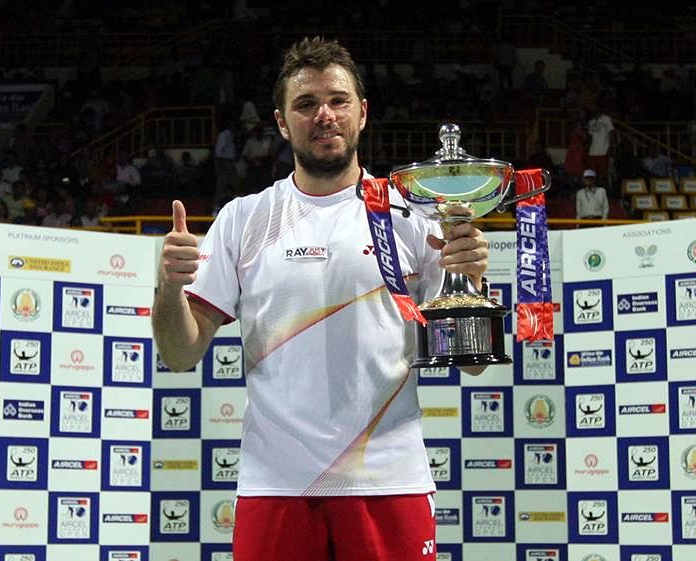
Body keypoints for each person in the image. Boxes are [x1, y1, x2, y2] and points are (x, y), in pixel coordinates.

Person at [152, 37, 489, 561]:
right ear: (283, 122)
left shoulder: (412, 217)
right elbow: (179, 352)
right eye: (305, 104)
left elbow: (470, 366)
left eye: (338, 100)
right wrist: (169, 289)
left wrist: (470, 281)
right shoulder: (244, 219)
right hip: (276, 484)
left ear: (362, 113)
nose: (323, 115)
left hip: (387, 480)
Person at [586, 106, 616, 180]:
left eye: (596, 109)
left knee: (603, 174)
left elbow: (611, 132)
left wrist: (611, 147)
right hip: (592, 152)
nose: (594, 111)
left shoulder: (606, 119)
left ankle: (603, 190)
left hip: (603, 151)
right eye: (593, 110)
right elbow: (590, 136)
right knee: (592, 174)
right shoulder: (591, 122)